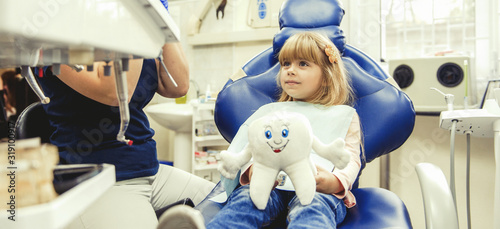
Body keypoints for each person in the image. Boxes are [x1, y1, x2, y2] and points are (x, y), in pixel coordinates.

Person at [34, 1, 216, 228]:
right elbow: (115, 91)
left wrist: (159, 18)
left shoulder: (115, 22)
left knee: (228, 205)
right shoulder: (56, 30)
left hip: (149, 170)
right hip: (103, 177)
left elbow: (177, 85)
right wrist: (137, 16)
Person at [198, 31, 362, 229]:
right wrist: (251, 171)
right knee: (244, 202)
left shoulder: (343, 116)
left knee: (314, 209)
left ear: (327, 77)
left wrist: (335, 181)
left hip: (318, 189)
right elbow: (250, 148)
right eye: (286, 64)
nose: (290, 70)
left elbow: (351, 158)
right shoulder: (269, 113)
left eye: (303, 64)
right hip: (268, 185)